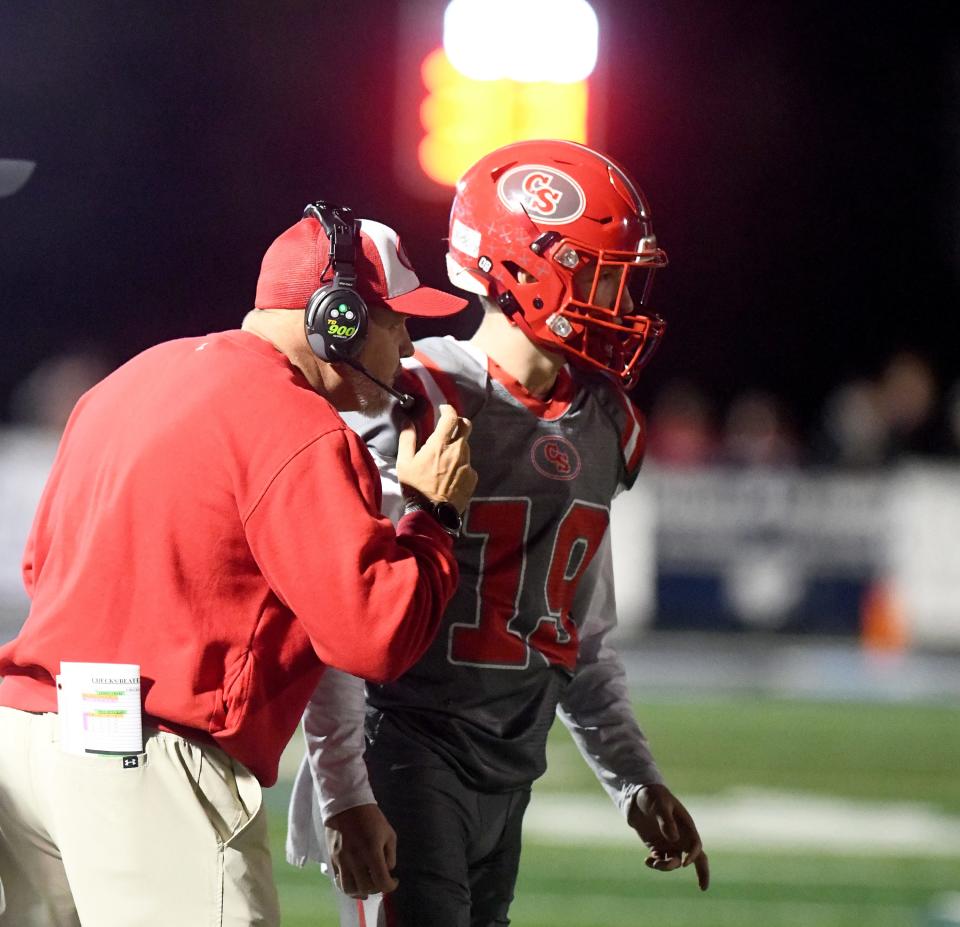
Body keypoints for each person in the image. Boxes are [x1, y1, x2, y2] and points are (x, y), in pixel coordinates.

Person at [0, 201, 478, 926]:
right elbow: (373, 637)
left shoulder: (124, 382)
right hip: (149, 763)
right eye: (398, 321)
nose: (408, 348)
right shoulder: (297, 424)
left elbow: (40, 569)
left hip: (25, 743)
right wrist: (433, 517)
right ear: (337, 318)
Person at [287, 141, 710, 927]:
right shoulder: (411, 392)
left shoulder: (607, 425)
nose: (621, 301)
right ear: (527, 270)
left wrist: (634, 778)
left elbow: (575, 638)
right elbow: (339, 614)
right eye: (603, 276)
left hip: (512, 762)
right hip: (405, 742)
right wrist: (344, 789)